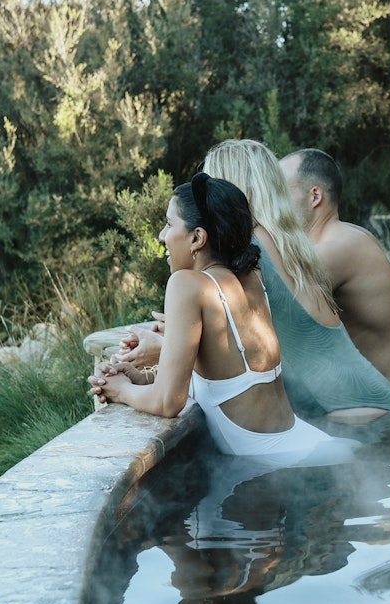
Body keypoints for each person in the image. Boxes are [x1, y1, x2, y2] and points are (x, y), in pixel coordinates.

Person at [88, 173, 353, 465]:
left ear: (197, 238)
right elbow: (224, 370)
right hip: (315, 447)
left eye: (168, 224)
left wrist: (122, 391)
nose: (162, 236)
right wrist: (144, 378)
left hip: (281, 464)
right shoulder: (250, 277)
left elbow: (167, 402)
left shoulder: (187, 285)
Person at [279, 148, 390, 400]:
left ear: (315, 196)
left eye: (280, 190)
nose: (273, 201)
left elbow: (271, 309)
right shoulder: (347, 236)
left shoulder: (337, 249)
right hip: (389, 395)